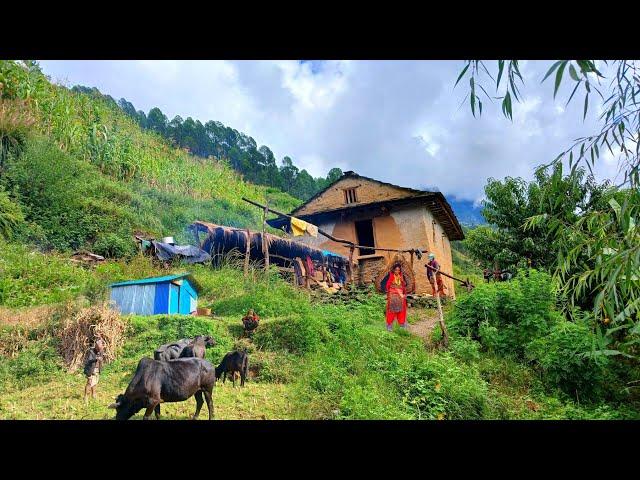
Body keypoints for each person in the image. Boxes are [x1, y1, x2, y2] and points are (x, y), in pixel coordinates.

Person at [380, 263, 409, 331]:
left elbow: (405, 284)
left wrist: (403, 291)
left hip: (401, 296)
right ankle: (389, 325)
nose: (397, 271)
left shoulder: (401, 276)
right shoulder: (389, 275)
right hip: (392, 295)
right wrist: (387, 290)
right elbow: (383, 283)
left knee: (402, 310)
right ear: (393, 270)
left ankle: (402, 324)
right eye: (396, 270)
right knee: (391, 310)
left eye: (398, 270)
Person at [83, 336, 105, 404]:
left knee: (95, 382)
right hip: (90, 369)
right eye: (98, 349)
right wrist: (96, 359)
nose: (99, 350)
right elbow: (88, 360)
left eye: (100, 349)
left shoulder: (101, 350)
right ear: (96, 347)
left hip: (97, 369)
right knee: (89, 382)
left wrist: (100, 361)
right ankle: (86, 397)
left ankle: (93, 394)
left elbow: (101, 358)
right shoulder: (90, 351)